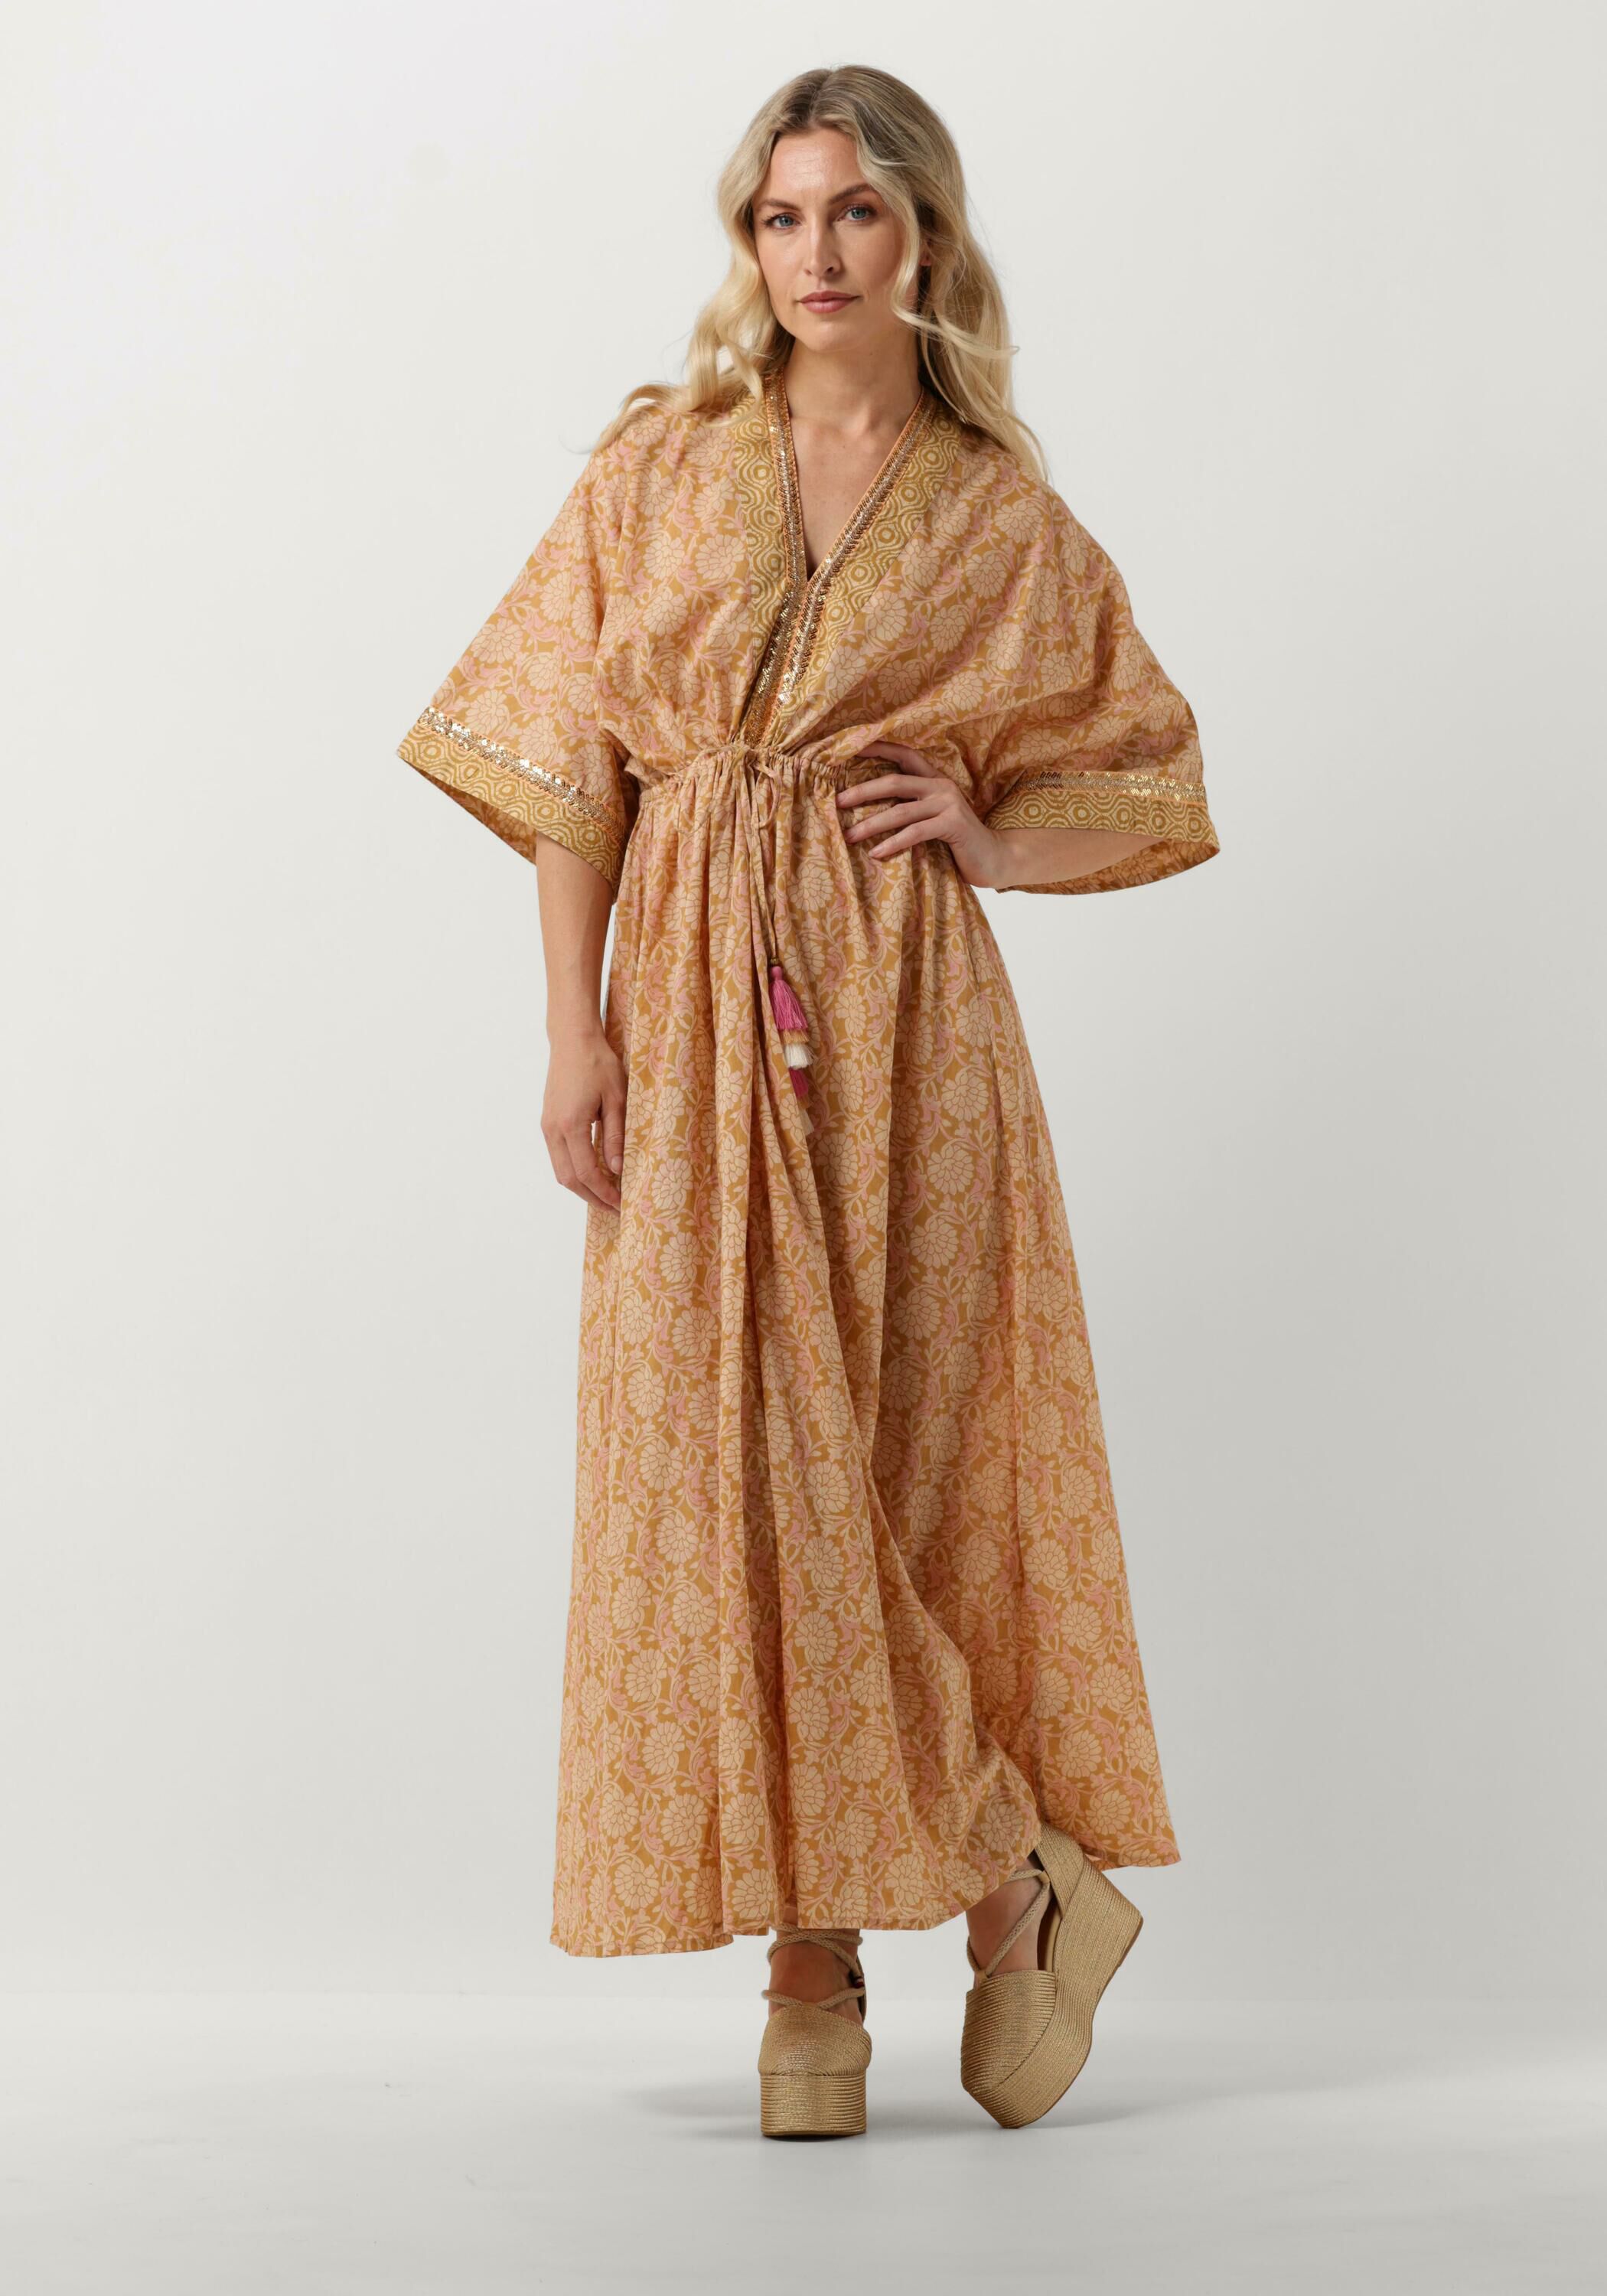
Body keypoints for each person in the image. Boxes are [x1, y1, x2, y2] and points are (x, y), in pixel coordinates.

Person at [395, 64, 1218, 2139]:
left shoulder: (996, 513)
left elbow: (1144, 768)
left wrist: (990, 836)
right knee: (734, 1465)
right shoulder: (659, 465)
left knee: (899, 1455)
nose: (817, 254)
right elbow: (571, 761)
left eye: (856, 213)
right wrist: (574, 1030)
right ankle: (961, 1904)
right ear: (745, 243)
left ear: (924, 234)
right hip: (685, 999)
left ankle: (846, 1964)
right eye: (780, 217)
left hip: (905, 1018)